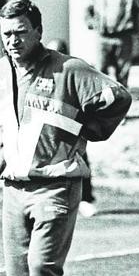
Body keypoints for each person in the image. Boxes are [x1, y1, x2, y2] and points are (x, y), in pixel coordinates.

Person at [0, 0, 131, 276]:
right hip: (14, 189)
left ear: (38, 32)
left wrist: (89, 131)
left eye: (21, 33)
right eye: (6, 34)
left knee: (41, 267)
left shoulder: (69, 69)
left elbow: (118, 97)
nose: (12, 41)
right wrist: (5, 145)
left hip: (56, 184)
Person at [45, 40, 96, 217]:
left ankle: (85, 199)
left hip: (73, 125)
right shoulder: (43, 73)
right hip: (51, 127)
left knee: (80, 160)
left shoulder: (75, 70)